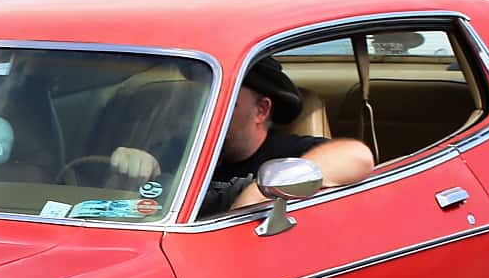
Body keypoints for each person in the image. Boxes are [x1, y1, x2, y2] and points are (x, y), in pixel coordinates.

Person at [109, 57, 374, 213]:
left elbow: (357, 156)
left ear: (261, 110)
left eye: (221, 103)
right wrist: (135, 171)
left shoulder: (288, 153)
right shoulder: (177, 149)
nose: (204, 113)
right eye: (199, 101)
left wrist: (259, 192)